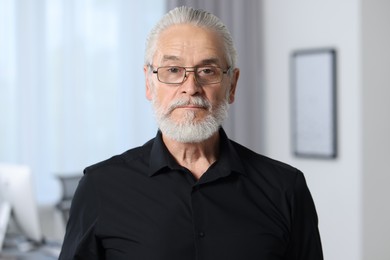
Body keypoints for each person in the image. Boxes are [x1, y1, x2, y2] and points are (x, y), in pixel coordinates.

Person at [59, 6, 323, 260]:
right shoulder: (101, 187)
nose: (191, 87)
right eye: (173, 70)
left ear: (232, 85)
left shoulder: (285, 188)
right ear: (148, 83)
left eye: (207, 71)